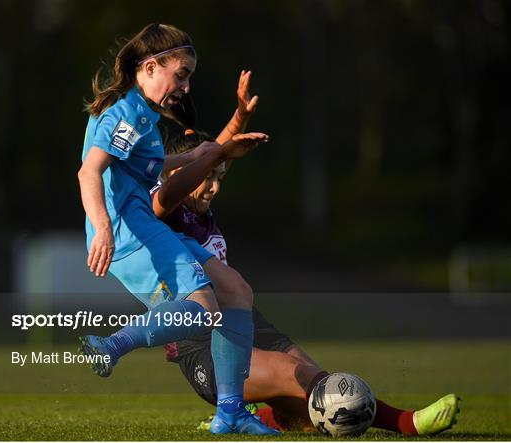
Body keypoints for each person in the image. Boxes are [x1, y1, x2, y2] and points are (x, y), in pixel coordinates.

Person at [153, 128, 461, 436]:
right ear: (181, 174)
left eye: (220, 177)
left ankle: (264, 417)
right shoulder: (164, 211)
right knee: (301, 378)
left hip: (248, 322)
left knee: (316, 397)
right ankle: (409, 423)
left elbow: (215, 157)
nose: (216, 187)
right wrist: (205, 155)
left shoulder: (199, 209)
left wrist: (239, 120)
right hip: (205, 344)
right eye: (208, 177)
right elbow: (178, 185)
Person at [77, 23, 279, 436]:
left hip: (143, 225)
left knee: (236, 291)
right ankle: (110, 346)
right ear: (151, 67)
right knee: (204, 307)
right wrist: (102, 229)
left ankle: (231, 413)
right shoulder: (127, 114)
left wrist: (206, 152)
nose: (185, 87)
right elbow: (89, 172)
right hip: (128, 231)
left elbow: (141, 167)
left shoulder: (142, 115)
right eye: (181, 74)